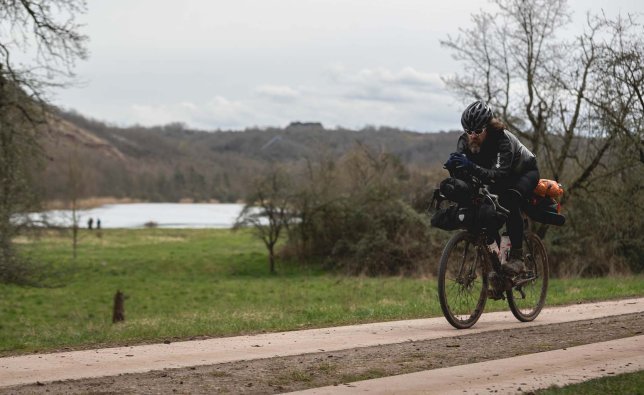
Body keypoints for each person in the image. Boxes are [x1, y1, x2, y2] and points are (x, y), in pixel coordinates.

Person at [445, 100, 540, 274]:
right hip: (497, 176)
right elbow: (463, 169)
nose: (473, 135)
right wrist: (453, 168)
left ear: (487, 127)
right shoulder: (465, 140)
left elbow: (498, 176)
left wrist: (471, 167)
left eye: (478, 131)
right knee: (483, 210)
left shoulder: (502, 140)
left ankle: (517, 258)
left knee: (510, 200)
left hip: (523, 172)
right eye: (468, 131)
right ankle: (497, 264)